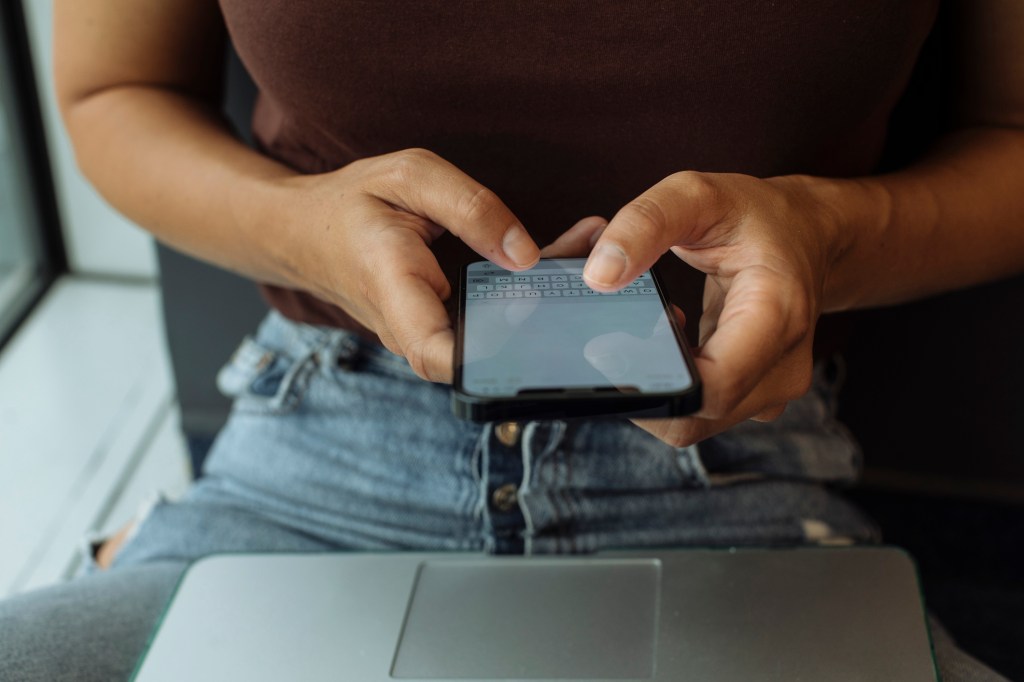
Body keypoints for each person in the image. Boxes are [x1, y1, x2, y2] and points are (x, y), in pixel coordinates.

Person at [2, 1, 1021, 680]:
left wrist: (825, 237)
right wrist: (304, 227)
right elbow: (109, 92)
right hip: (332, 423)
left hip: (724, 455)